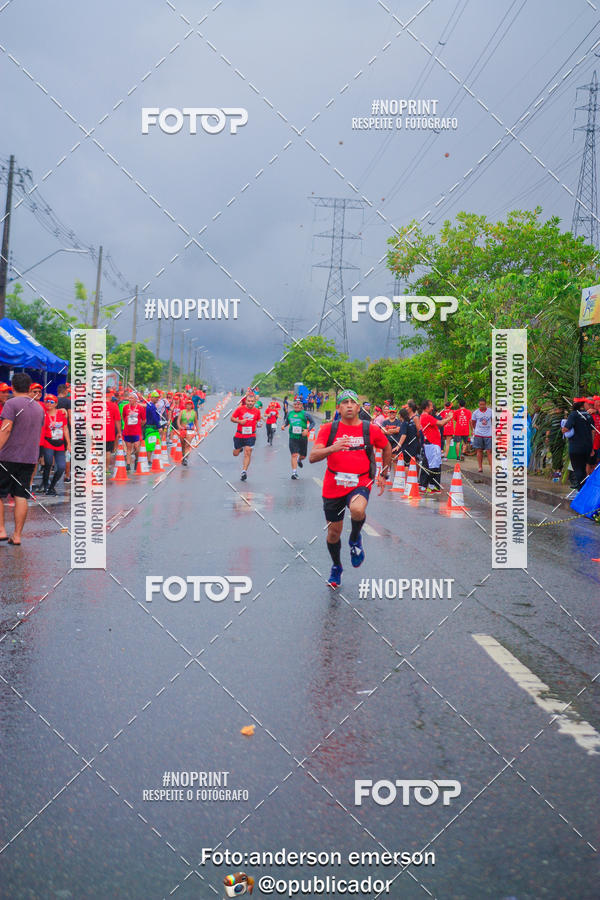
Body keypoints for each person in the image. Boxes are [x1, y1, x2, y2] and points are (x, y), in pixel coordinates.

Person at [309, 389, 391, 588]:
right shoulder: (328, 429)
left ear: (358, 407)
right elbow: (313, 456)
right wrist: (332, 448)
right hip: (333, 484)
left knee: (357, 509)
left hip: (360, 481)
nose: (348, 405)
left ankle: (355, 538)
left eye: (352, 402)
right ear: (338, 407)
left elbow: (387, 447)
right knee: (333, 533)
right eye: (344, 402)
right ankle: (336, 566)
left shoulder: (370, 429)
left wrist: (383, 473)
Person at [0, 372, 45, 544]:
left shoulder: (12, 403)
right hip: (29, 457)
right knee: (21, 495)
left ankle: (2, 530)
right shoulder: (38, 408)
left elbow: (7, 429)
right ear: (29, 387)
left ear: (13, 386)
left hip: (9, 456)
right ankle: (17, 535)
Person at [419, 400, 453, 492]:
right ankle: (426, 485)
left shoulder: (426, 416)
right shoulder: (426, 417)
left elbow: (440, 422)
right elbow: (441, 423)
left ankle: (430, 484)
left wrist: (445, 419)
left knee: (433, 465)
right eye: (431, 406)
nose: (432, 408)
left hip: (433, 444)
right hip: (432, 444)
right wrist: (449, 418)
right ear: (426, 408)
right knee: (432, 466)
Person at [39, 394, 70, 494]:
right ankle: (46, 486)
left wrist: (68, 443)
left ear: (56, 403)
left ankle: (52, 486)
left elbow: (65, 429)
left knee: (61, 467)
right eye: (47, 401)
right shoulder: (43, 414)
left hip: (60, 443)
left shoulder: (61, 413)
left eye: (51, 402)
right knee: (48, 465)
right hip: (48, 442)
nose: (49, 403)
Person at [282, 396, 315, 478]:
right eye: (295, 404)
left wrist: (307, 430)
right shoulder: (290, 413)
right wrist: (284, 426)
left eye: (298, 404)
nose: (296, 406)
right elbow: (287, 422)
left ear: (301, 405)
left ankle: (300, 460)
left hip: (302, 438)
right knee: (294, 455)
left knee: (303, 456)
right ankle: (294, 473)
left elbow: (313, 423)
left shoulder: (305, 414)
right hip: (293, 437)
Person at [563, 399, 593, 490]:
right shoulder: (588, 415)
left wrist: (563, 429)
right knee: (584, 468)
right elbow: (593, 432)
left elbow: (566, 428)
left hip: (576, 446)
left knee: (577, 468)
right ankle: (583, 489)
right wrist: (591, 446)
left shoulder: (574, 415)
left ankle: (580, 489)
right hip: (587, 446)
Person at [231, 392, 261, 481]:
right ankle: (239, 449)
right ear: (246, 401)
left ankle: (244, 471)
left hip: (251, 435)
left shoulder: (257, 411)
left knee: (248, 451)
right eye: (249, 401)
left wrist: (259, 423)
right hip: (239, 434)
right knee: (235, 454)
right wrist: (239, 422)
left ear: (255, 402)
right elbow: (232, 418)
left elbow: (258, 420)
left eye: (252, 401)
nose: (250, 403)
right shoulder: (240, 409)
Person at [121, 392, 146, 471]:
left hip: (136, 431)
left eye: (132, 398)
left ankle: (136, 460)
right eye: (129, 398)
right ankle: (128, 464)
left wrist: (139, 425)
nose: (130, 399)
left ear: (136, 399)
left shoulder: (140, 408)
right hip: (128, 430)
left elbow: (144, 420)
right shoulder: (125, 407)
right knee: (129, 448)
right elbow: (124, 416)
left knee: (136, 446)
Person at [470, 398, 493, 473]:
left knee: (489, 451)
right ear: (479, 405)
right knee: (479, 450)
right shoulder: (476, 413)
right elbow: (473, 422)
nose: (482, 406)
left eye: (483, 404)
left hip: (488, 434)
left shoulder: (490, 412)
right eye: (480, 405)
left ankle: (492, 468)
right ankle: (480, 467)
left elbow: (493, 421)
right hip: (479, 434)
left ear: (485, 404)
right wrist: (475, 430)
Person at [177, 396, 201, 465]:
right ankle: (183, 456)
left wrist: (197, 430)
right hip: (183, 430)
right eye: (187, 404)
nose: (188, 405)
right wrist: (179, 426)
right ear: (185, 405)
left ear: (192, 405)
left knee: (188, 445)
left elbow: (196, 422)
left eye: (190, 404)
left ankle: (185, 459)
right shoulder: (182, 412)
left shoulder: (194, 413)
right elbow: (178, 420)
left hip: (190, 430)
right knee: (183, 445)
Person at [56, 383, 72, 483]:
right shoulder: (68, 402)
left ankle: (51, 472)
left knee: (53, 451)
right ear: (65, 392)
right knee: (67, 452)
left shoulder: (53, 400)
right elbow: (70, 416)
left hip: (53, 428)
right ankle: (67, 475)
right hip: (65, 428)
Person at [104, 386, 122, 473]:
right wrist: (119, 432)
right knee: (107, 451)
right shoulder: (114, 406)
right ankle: (106, 469)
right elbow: (118, 421)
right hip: (109, 432)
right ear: (110, 396)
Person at [381, 405, 402, 480]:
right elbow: (382, 431)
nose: (392, 414)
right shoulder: (385, 422)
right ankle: (386, 474)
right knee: (387, 459)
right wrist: (390, 431)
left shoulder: (398, 422)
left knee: (395, 459)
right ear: (388, 413)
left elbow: (398, 430)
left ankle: (397, 477)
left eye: (393, 413)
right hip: (387, 443)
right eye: (390, 413)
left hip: (395, 442)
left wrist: (389, 431)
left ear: (396, 414)